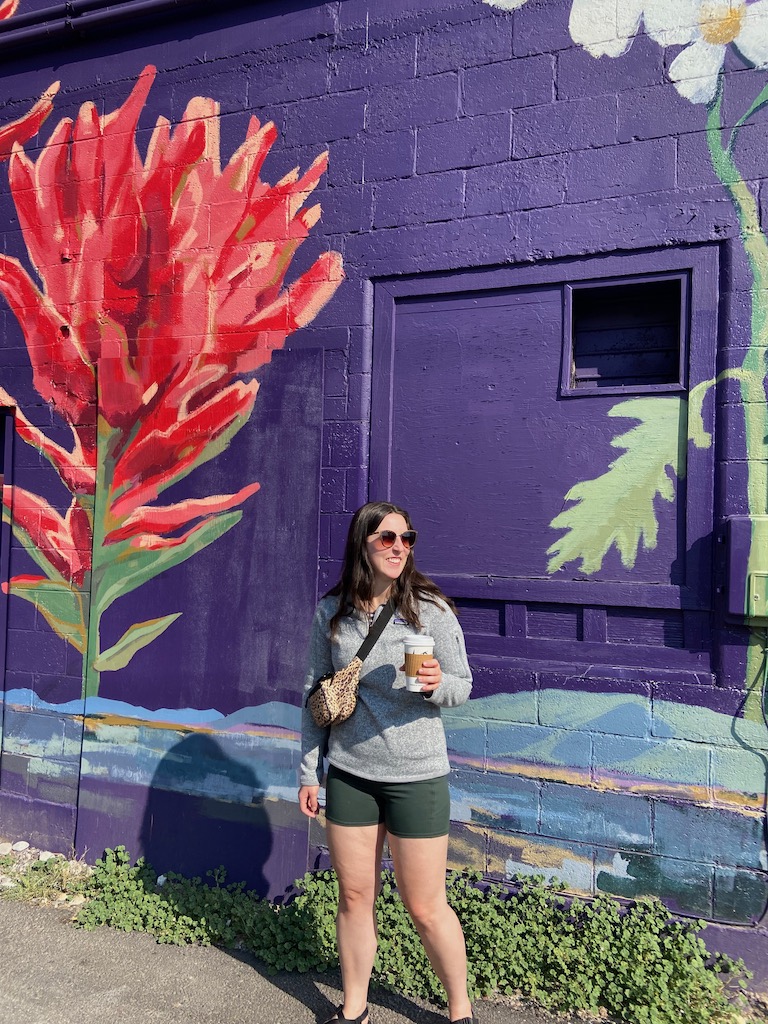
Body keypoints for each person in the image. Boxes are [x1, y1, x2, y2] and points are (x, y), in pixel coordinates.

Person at [298, 500, 475, 1024]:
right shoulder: (331, 614)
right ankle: (353, 1009)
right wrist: (311, 771)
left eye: (407, 539)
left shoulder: (429, 611)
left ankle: (461, 1010)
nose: (400, 548)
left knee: (424, 906)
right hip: (351, 774)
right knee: (354, 896)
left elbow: (462, 685)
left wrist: (437, 685)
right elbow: (315, 695)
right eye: (387, 539)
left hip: (417, 777)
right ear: (363, 545)